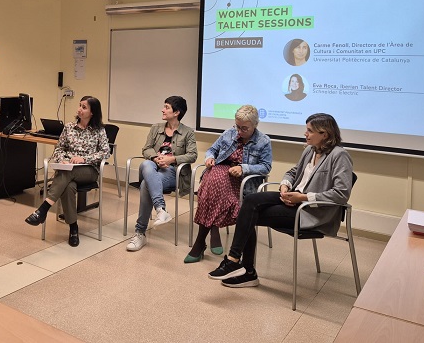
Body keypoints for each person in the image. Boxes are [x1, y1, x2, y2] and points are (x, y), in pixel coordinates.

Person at [208, 113, 353, 288]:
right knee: (250, 201)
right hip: (294, 197)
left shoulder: (340, 155)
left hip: (311, 210)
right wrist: (285, 185)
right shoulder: (310, 150)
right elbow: (293, 172)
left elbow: (341, 193)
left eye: (310, 131)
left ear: (325, 134)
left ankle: (241, 267)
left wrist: (304, 197)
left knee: (247, 215)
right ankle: (238, 264)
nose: (305, 133)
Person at [184, 104, 271, 263]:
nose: (239, 131)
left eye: (244, 128)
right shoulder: (229, 133)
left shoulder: (263, 141)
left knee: (212, 187)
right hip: (221, 171)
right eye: (237, 126)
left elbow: (266, 167)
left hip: (244, 180)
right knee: (213, 182)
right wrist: (209, 158)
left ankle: (200, 242)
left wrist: (244, 168)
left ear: (255, 125)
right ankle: (211, 231)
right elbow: (212, 150)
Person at [25, 96, 110, 247]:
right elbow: (59, 148)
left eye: (84, 107)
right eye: (79, 105)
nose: (79, 109)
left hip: (89, 170)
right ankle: (73, 228)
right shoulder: (69, 127)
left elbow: (105, 152)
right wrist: (62, 160)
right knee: (68, 186)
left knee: (66, 174)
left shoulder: (99, 130)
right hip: (68, 168)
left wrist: (84, 159)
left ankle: (43, 209)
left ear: (92, 112)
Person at [126, 96, 198, 252]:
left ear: (177, 112)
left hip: (172, 172)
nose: (162, 110)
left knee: (145, 184)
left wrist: (172, 159)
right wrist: (155, 158)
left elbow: (192, 155)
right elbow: (146, 149)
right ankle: (160, 209)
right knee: (146, 163)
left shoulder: (188, 132)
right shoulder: (156, 128)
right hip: (152, 167)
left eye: (166, 107)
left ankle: (140, 232)